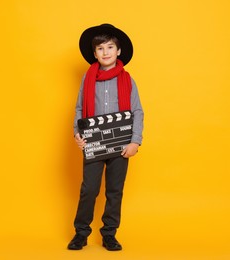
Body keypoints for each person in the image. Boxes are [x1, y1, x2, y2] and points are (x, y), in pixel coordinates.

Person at [68, 24, 144, 251]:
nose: (106, 52)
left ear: (118, 51)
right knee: (89, 189)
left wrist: (135, 141)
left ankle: (109, 233)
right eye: (100, 48)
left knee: (114, 190)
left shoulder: (128, 80)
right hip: (93, 143)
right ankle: (81, 232)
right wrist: (77, 133)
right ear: (94, 53)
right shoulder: (88, 78)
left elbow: (137, 111)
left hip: (121, 146)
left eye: (110, 47)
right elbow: (80, 108)